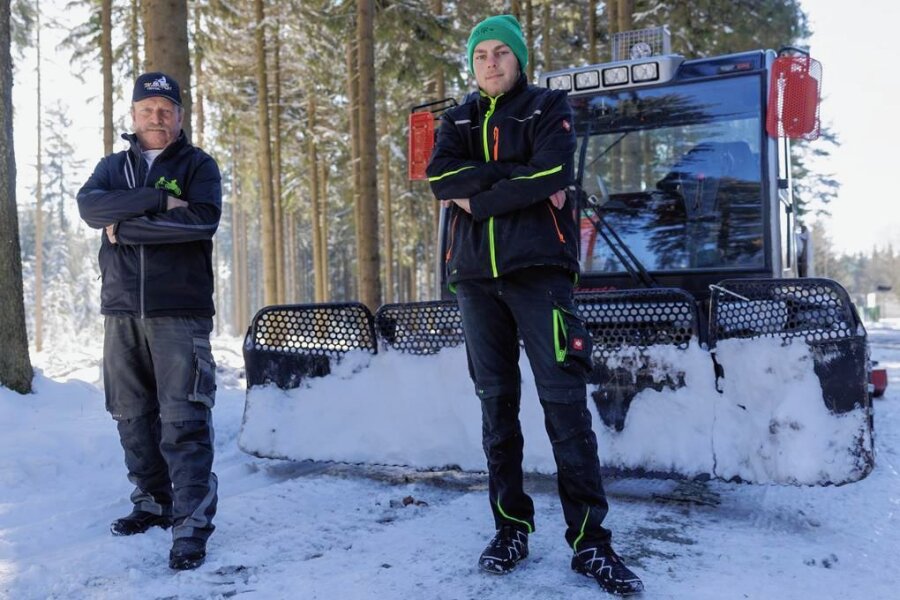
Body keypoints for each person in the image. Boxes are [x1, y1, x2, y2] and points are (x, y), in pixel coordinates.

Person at [426, 15, 644, 595]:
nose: (491, 62)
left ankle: (591, 544)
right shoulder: (456, 118)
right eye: (481, 55)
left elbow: (553, 169)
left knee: (564, 409)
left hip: (539, 279)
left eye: (502, 52)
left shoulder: (549, 107)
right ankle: (511, 528)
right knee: (497, 412)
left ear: (520, 59)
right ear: (472, 65)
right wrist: (512, 180)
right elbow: (440, 179)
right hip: (474, 282)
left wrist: (483, 194)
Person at [77, 72, 221, 571]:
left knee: (184, 421)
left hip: (179, 312)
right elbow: (90, 207)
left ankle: (191, 526)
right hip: (120, 313)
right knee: (132, 417)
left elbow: (201, 220)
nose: (156, 117)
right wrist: (160, 201)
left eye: (166, 108)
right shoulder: (111, 166)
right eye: (147, 108)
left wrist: (126, 226)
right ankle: (153, 503)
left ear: (180, 115)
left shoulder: (198, 165)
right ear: (133, 115)